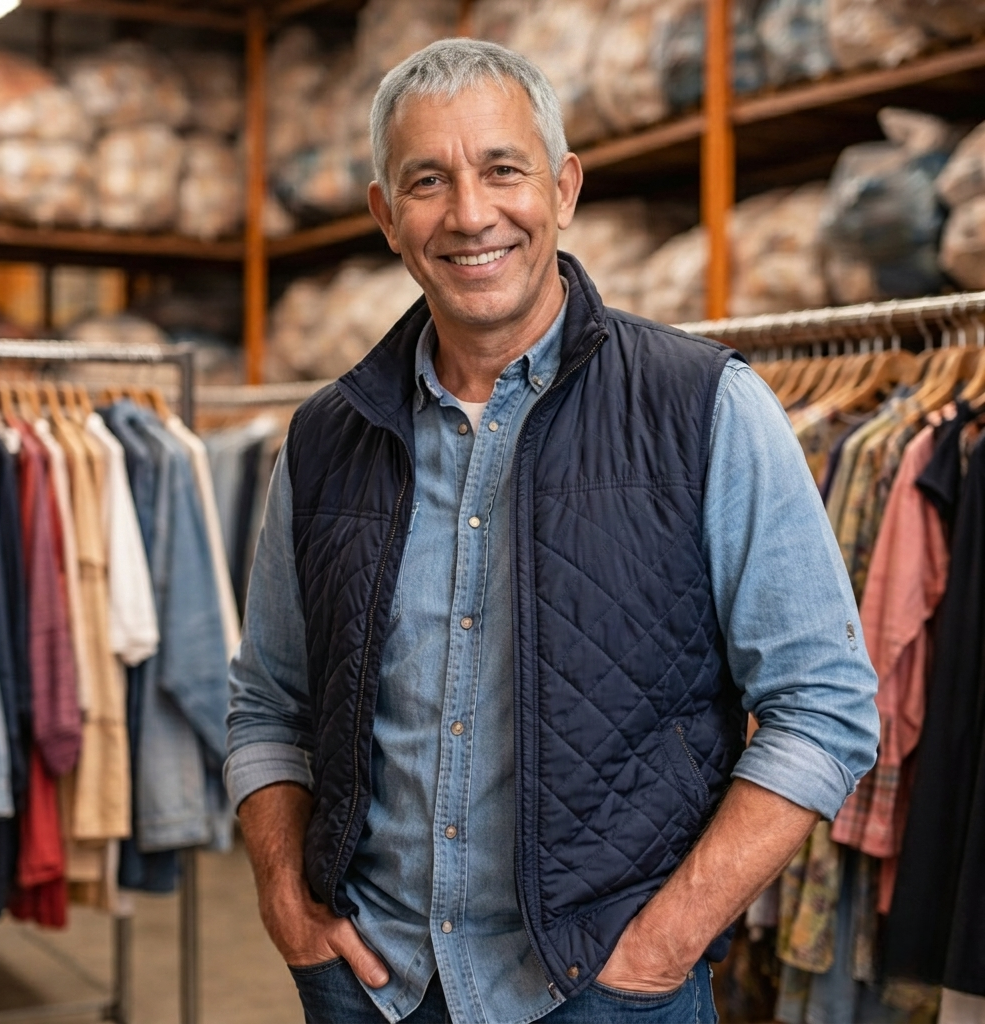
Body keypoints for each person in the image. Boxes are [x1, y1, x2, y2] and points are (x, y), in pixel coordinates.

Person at [225, 38, 879, 1024]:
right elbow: (268, 702)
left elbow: (823, 706)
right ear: (386, 218)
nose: (471, 213)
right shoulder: (326, 435)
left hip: (603, 993)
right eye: (427, 182)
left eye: (502, 169)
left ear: (563, 188)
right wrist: (285, 895)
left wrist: (664, 944)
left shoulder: (704, 408)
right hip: (374, 984)